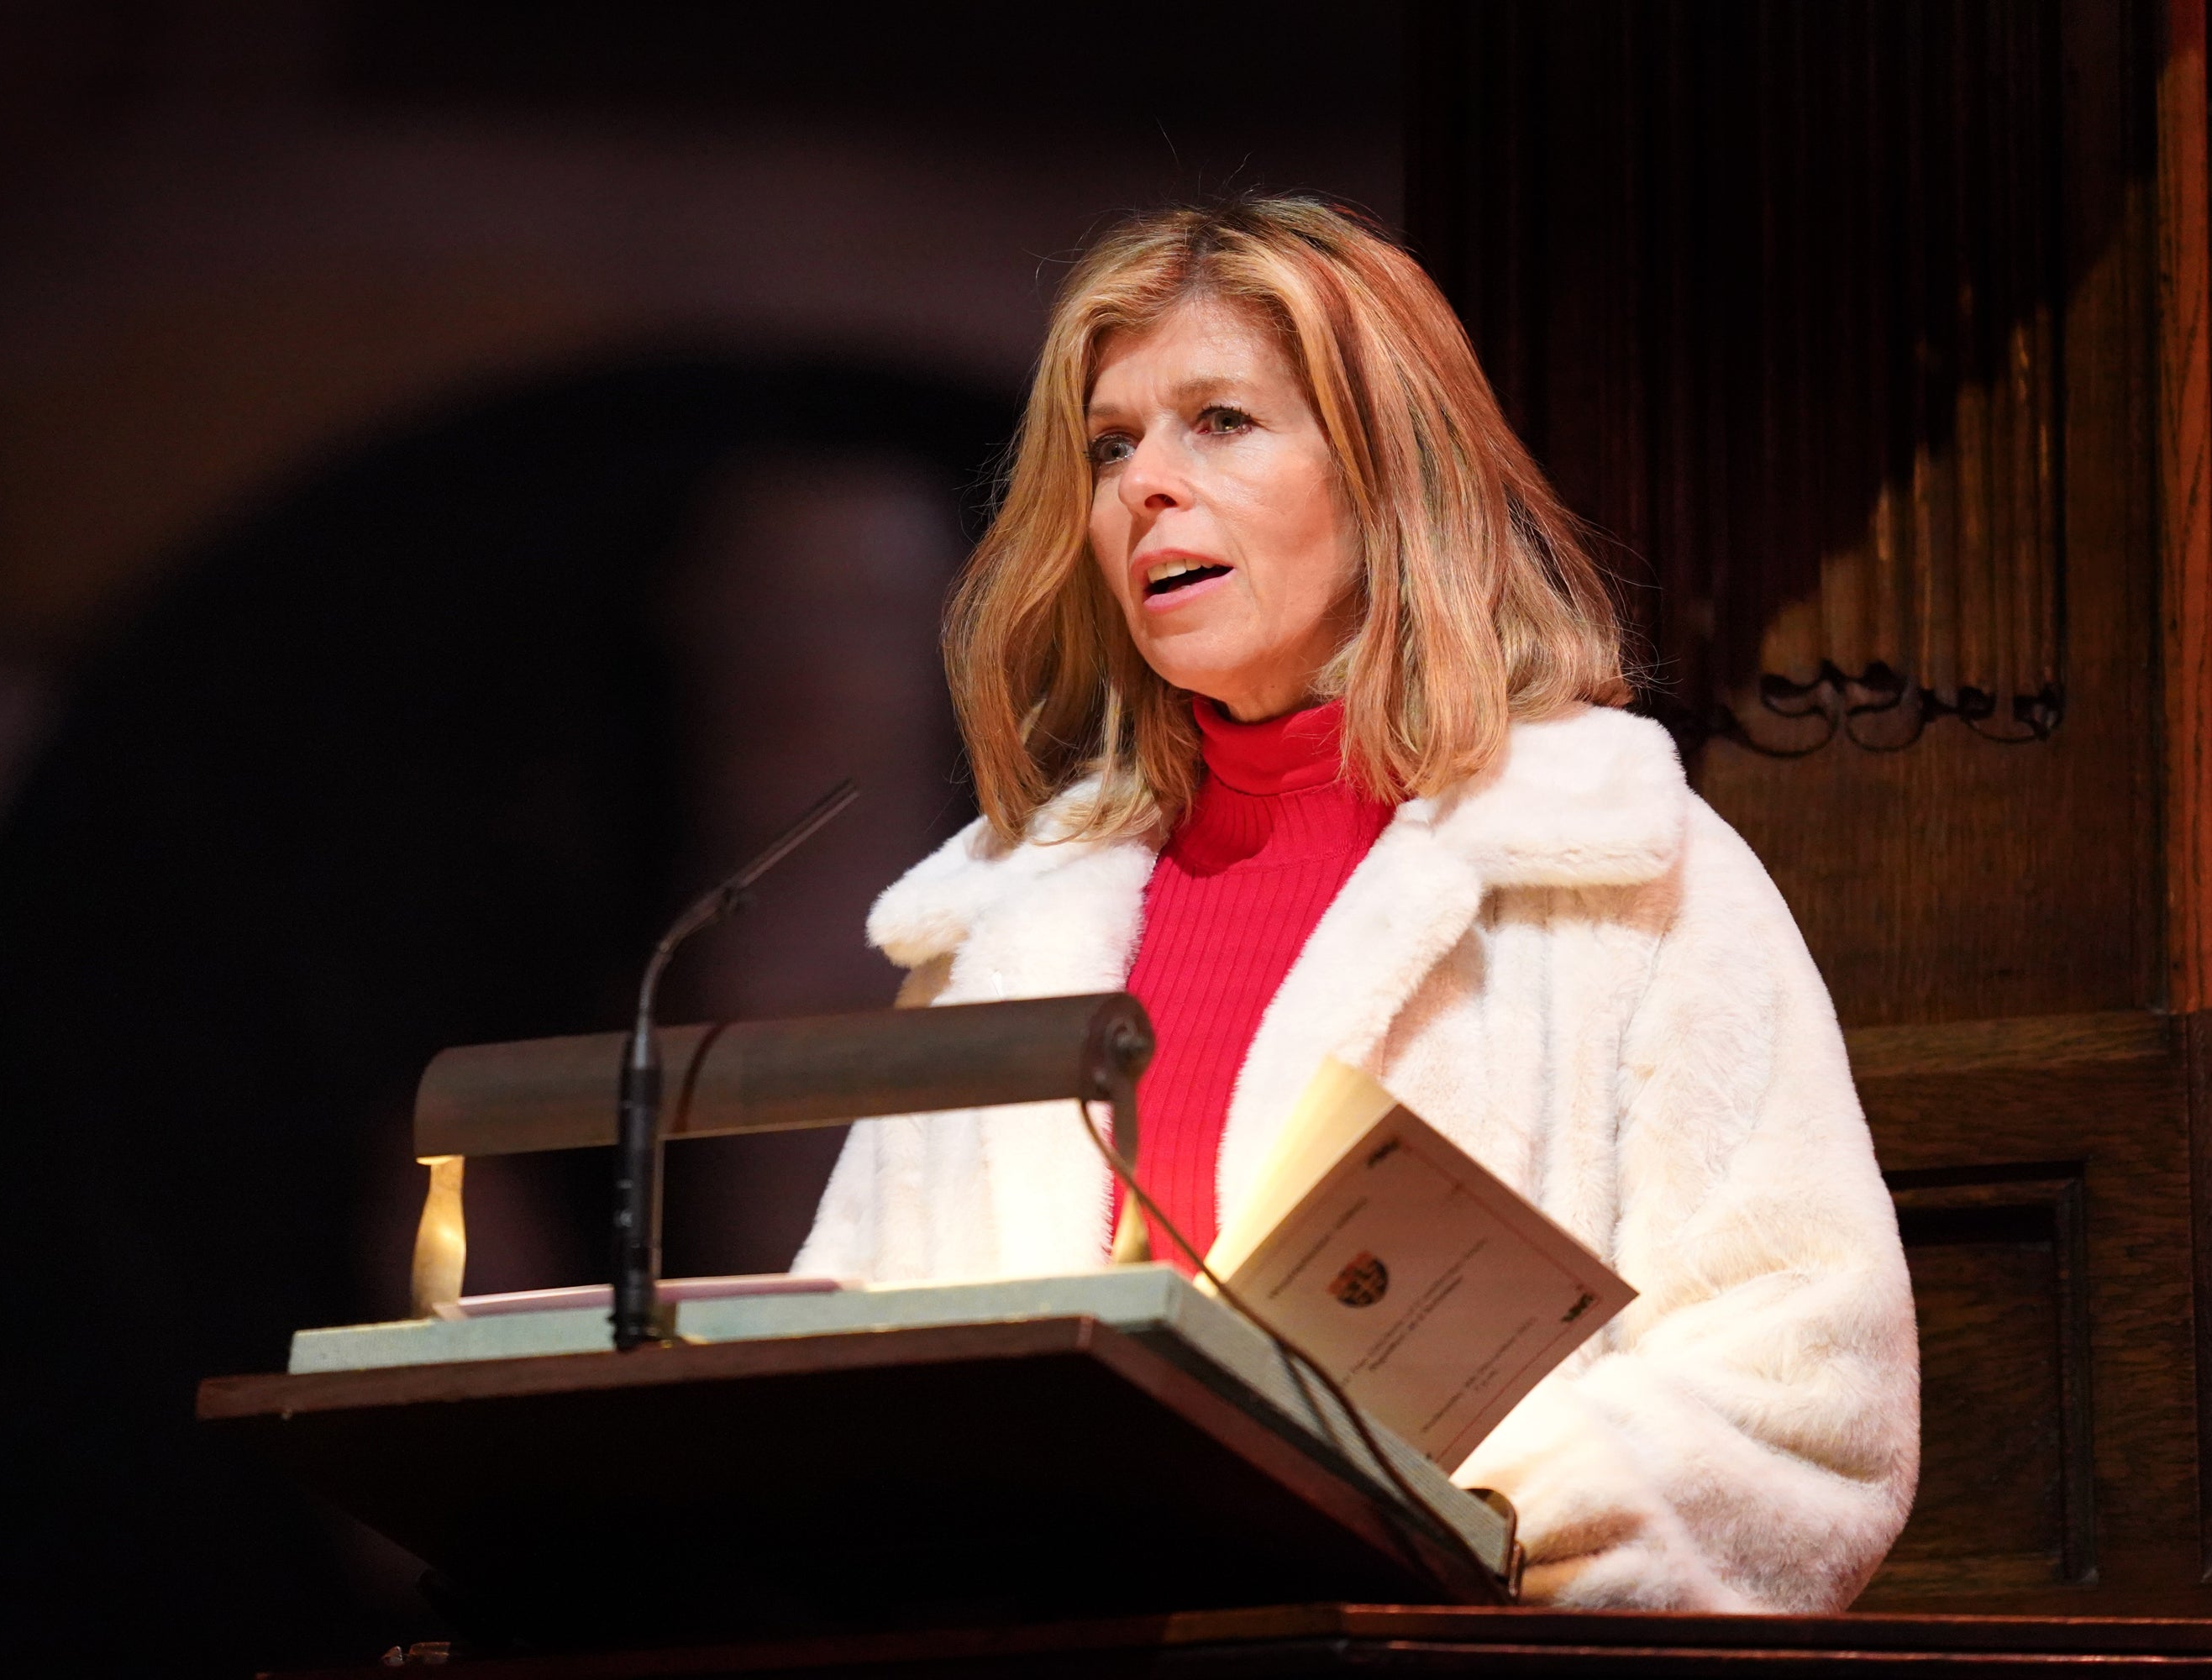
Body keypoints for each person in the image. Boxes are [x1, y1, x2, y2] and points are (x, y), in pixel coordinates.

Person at [794, 197, 1920, 1614]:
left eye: (1222, 422)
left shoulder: (1619, 866)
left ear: (1391, 473)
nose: (1148, 486)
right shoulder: (1000, 925)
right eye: (1112, 445)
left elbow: (1805, 1406)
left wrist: (1444, 1518)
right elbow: (847, 1380)